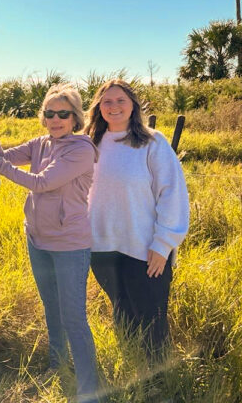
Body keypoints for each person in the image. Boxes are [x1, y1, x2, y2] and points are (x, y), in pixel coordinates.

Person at [0, 83, 101, 403]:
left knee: (73, 316)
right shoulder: (41, 143)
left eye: (63, 114)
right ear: (43, 117)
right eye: (50, 113)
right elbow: (1, 156)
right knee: (51, 309)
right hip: (38, 240)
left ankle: (90, 388)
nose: (56, 119)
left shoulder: (81, 150)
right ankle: (57, 365)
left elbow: (41, 183)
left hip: (70, 245)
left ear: (75, 118)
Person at [85, 79, 189, 362]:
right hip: (102, 248)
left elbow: (172, 193)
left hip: (145, 250)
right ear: (99, 107)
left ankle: (159, 383)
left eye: (121, 100)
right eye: (107, 101)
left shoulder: (152, 142)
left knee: (152, 322)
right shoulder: (89, 143)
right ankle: (130, 371)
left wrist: (163, 243)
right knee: (122, 315)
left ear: (133, 106)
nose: (114, 106)